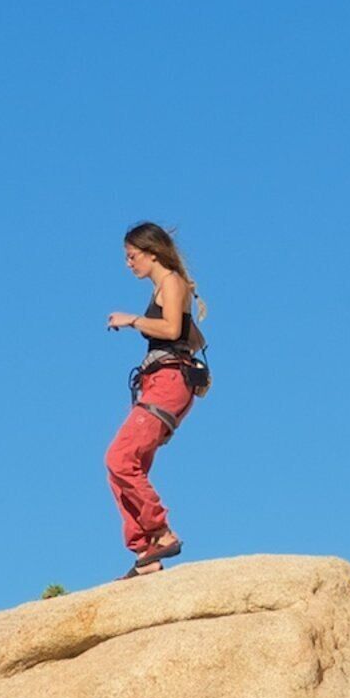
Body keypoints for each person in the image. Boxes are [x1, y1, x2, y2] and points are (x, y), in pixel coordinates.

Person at [101, 220, 207, 579]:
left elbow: (172, 329)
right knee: (126, 469)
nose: (129, 264)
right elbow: (190, 337)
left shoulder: (172, 282)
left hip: (167, 384)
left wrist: (132, 321)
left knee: (120, 457)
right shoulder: (168, 287)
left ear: (151, 252)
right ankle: (146, 551)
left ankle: (161, 533)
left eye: (132, 257)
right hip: (161, 382)